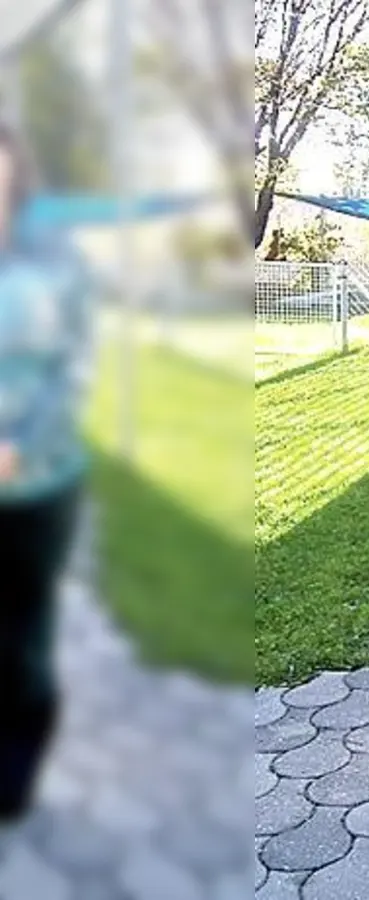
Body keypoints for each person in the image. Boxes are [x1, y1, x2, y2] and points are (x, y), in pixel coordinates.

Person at [0, 123, 91, 823]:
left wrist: (19, 444)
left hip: (34, 482)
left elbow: (75, 368)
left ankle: (15, 778)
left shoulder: (55, 263)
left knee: (21, 633)